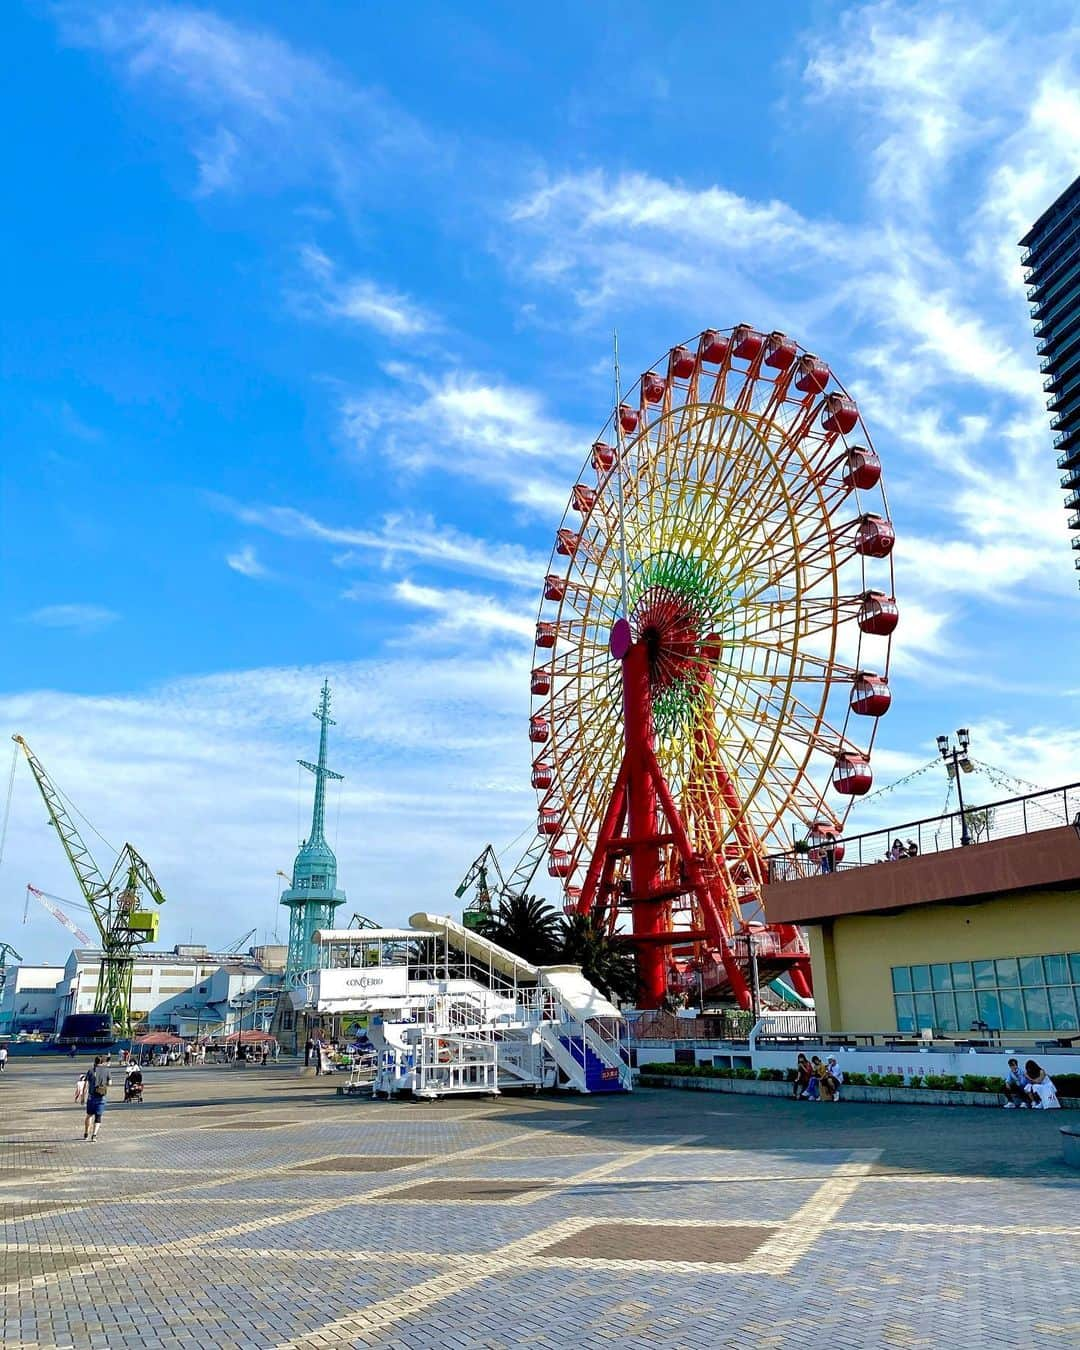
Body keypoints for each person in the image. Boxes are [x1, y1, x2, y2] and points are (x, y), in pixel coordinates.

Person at [82, 1055, 112, 1141]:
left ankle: (86, 1133)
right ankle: (94, 1135)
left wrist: (83, 1097)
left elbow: (86, 1084)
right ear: (102, 1062)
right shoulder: (106, 1071)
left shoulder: (90, 1071)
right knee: (98, 1117)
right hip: (101, 1097)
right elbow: (110, 1083)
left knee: (89, 1115)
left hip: (91, 1097)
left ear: (94, 1062)